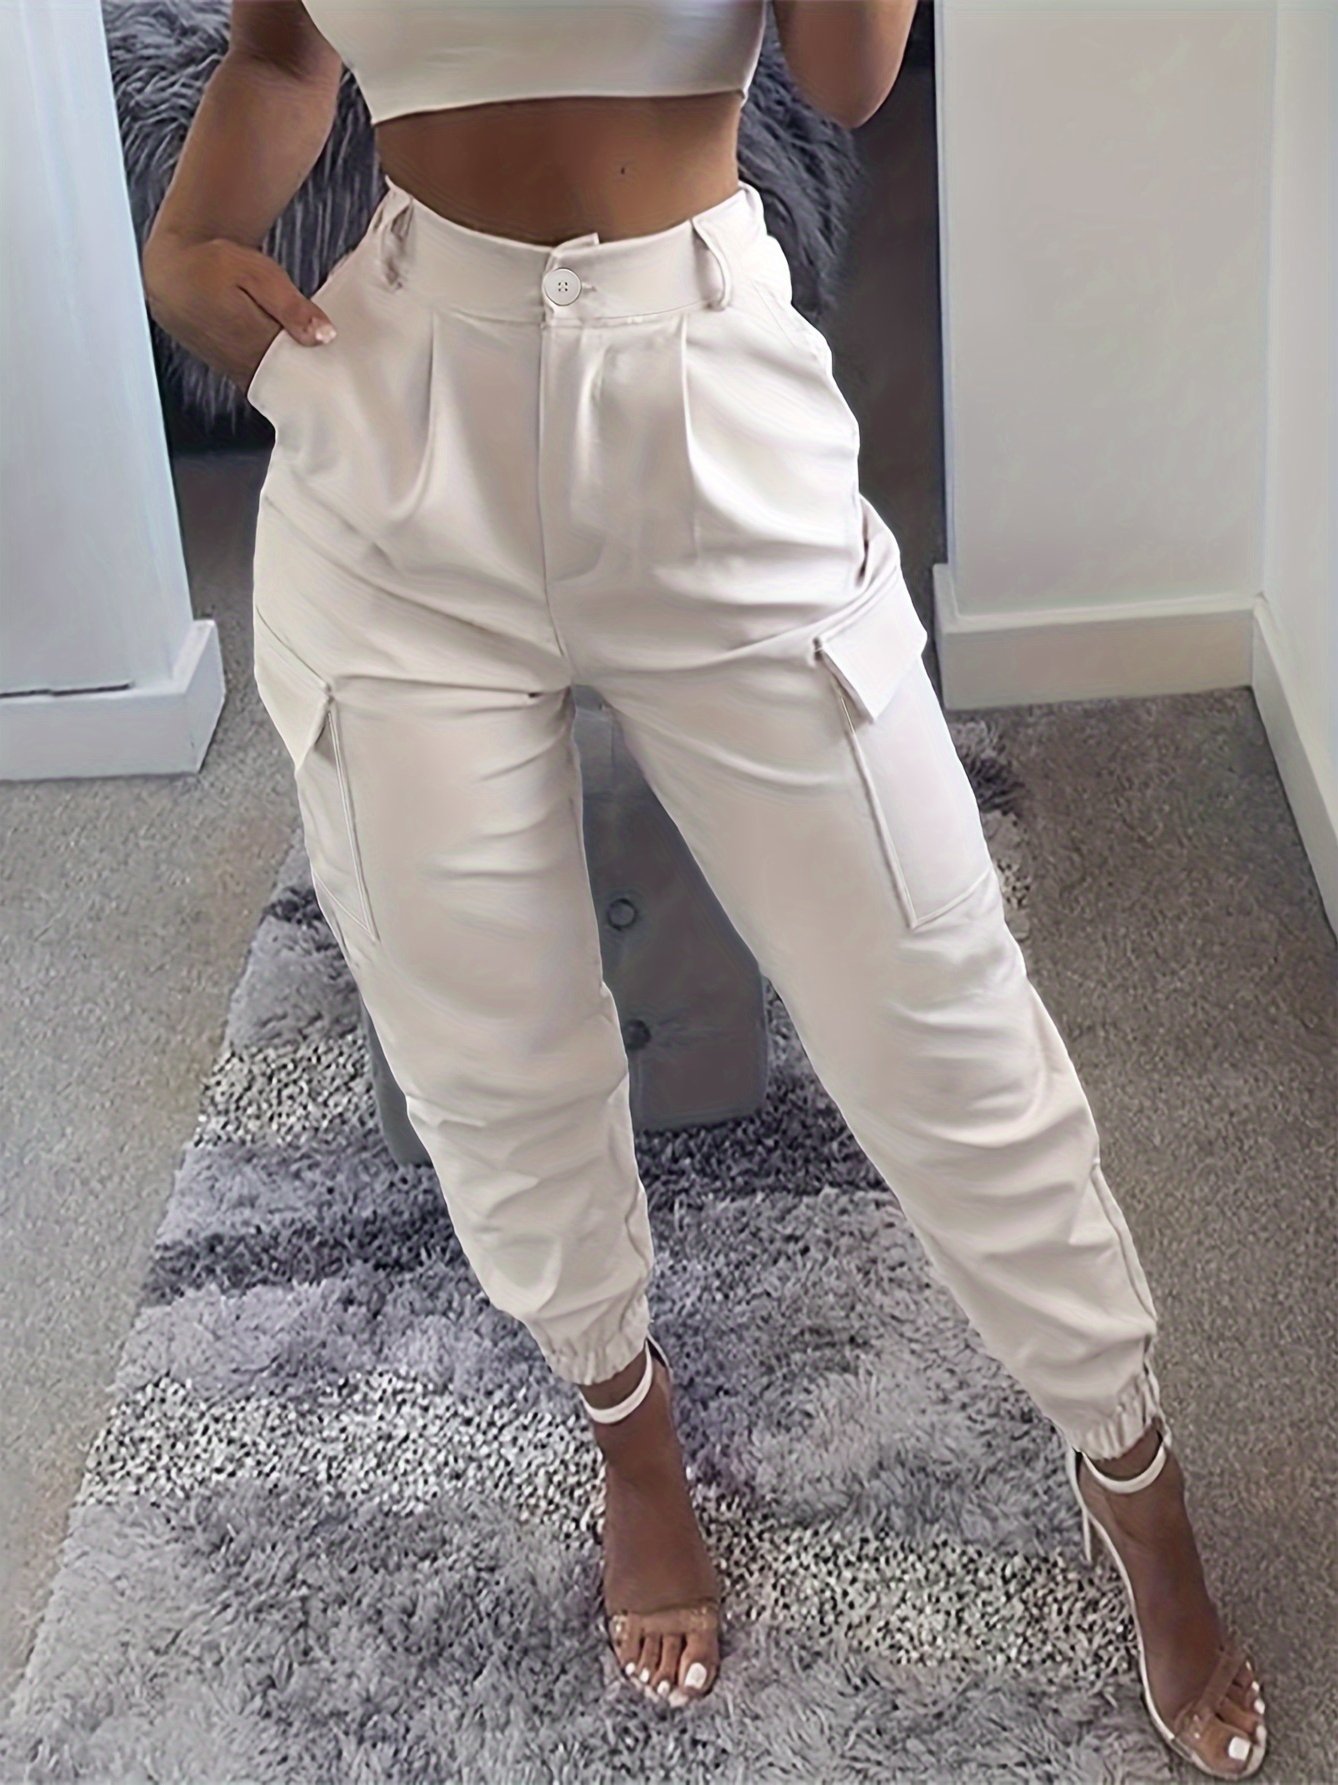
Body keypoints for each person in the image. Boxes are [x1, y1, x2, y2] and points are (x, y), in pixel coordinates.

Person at [140, 2, 1266, 1772]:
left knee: (935, 1005)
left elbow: (846, 79)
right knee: (483, 1037)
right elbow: (283, 54)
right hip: (394, 435)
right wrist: (186, 235)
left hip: (703, 401)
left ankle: (1135, 1479)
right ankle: (632, 1430)